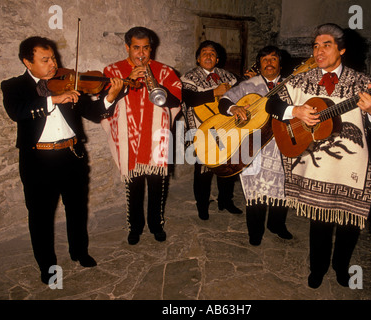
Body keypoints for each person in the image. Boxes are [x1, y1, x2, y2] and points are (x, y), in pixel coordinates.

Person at [0, 36, 124, 284]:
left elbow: (93, 112)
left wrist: (111, 96)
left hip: (72, 156)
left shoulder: (68, 82)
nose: (52, 64)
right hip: (38, 160)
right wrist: (52, 99)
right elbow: (17, 112)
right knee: (40, 216)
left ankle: (79, 252)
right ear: (28, 62)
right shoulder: (14, 86)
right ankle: (47, 266)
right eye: (44, 60)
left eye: (53, 58)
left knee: (77, 209)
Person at [265, 23, 371, 288]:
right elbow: (272, 103)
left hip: (349, 167)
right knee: (319, 224)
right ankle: (317, 270)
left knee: (348, 225)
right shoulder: (301, 79)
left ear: (341, 48)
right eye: (315, 46)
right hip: (315, 168)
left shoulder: (362, 83)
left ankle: (341, 268)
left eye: (326, 45)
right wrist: (295, 112)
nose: (318, 51)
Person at [100, 27, 182, 245]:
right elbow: (103, 103)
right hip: (129, 140)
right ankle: (134, 227)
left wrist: (155, 83)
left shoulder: (164, 71)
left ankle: (156, 225)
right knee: (133, 187)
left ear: (151, 48)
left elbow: (176, 101)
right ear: (127, 47)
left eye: (146, 48)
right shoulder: (113, 70)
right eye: (136, 48)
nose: (141, 53)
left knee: (157, 186)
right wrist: (127, 80)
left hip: (156, 139)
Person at [218, 45, 293, 246]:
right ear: (259, 64)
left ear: (280, 62)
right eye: (264, 60)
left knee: (282, 187)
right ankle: (255, 230)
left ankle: (277, 225)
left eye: (273, 59)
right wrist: (234, 108)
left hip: (282, 144)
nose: (269, 63)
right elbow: (224, 101)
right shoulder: (248, 85)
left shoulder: (292, 84)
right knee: (255, 190)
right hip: (254, 146)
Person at [180, 40, 242, 220]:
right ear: (198, 59)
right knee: (203, 171)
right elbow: (188, 98)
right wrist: (213, 92)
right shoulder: (188, 77)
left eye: (212, 53)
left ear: (217, 59)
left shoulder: (228, 76)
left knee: (227, 168)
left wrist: (247, 78)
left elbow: (243, 92)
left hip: (226, 128)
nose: (208, 56)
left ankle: (226, 201)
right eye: (204, 53)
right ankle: (202, 205)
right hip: (201, 130)